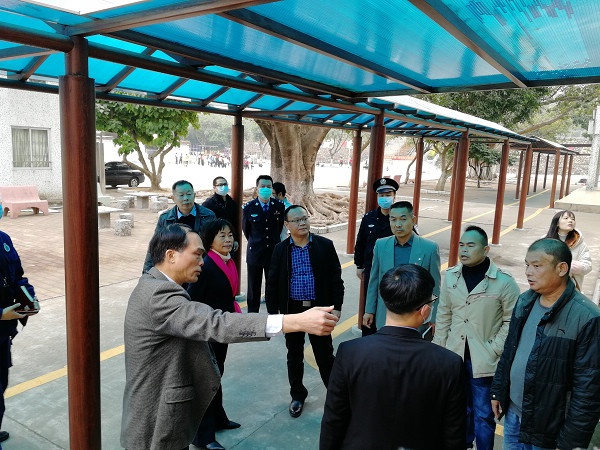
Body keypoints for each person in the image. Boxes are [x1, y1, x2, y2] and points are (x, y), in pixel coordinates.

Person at [121, 223, 339, 450]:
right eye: (197, 254)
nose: (202, 262)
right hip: (156, 421)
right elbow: (215, 322)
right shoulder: (158, 294)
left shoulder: (156, 284)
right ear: (171, 255)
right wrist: (295, 321)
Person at [320, 264, 466, 450]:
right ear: (424, 310)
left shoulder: (349, 352)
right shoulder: (449, 363)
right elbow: (454, 434)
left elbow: (333, 421)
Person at [490, 238, 600, 450]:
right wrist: (498, 390)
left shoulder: (587, 317)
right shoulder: (525, 301)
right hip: (513, 415)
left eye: (537, 266)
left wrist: (570, 442)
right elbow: (510, 351)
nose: (528, 272)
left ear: (562, 268)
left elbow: (588, 391)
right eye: (527, 265)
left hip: (550, 428)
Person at [433, 225, 519, 450]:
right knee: (458, 410)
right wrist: (439, 349)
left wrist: (494, 348)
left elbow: (511, 322)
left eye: (471, 245)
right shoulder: (451, 276)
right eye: (461, 245)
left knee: (483, 414)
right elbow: (444, 315)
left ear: (486, 249)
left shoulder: (504, 282)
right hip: (454, 356)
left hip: (484, 361)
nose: (463, 250)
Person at [266, 205, 344, 419]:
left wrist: (337, 307)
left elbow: (336, 279)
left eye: (304, 218)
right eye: (296, 220)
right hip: (292, 311)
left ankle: (336, 397)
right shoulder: (281, 249)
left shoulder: (324, 245)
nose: (302, 223)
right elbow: (272, 282)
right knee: (294, 355)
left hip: (319, 309)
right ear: (287, 225)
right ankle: (297, 395)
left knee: (324, 354)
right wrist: (274, 315)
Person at [187, 219, 241, 450]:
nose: (228, 239)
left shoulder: (227, 260)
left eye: (230, 235)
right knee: (207, 381)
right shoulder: (207, 265)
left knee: (217, 375)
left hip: (222, 330)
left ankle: (219, 418)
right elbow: (192, 299)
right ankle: (203, 437)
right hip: (208, 332)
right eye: (222, 235)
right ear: (210, 240)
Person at [363, 200, 440, 338]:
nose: (398, 224)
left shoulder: (429, 248)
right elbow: (374, 281)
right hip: (386, 316)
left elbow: (435, 287)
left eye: (403, 219)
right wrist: (369, 310)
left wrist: (433, 317)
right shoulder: (381, 245)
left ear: (413, 220)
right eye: (393, 219)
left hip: (416, 318)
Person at [0, 202, 38, 447]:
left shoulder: (3, 239)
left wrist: (30, 299)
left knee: (1, 385)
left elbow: (17, 277)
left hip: (3, 334)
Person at [354, 177, 398, 336]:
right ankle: (369, 338)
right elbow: (361, 242)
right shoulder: (369, 218)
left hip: (394, 271)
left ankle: (388, 335)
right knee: (370, 304)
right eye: (381, 195)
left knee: (392, 304)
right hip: (371, 270)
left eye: (388, 195)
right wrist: (359, 265)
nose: (384, 198)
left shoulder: (400, 218)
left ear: (394, 196)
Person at [143, 180, 215, 273]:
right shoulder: (165, 218)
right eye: (181, 195)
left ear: (194, 195)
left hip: (201, 265)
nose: (186, 198)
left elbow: (215, 244)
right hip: (175, 268)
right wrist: (147, 271)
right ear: (173, 198)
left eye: (189, 194)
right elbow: (156, 245)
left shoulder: (208, 216)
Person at [241, 175, 285, 313]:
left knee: (272, 285)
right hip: (255, 253)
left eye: (268, 186)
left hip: (273, 252)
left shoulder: (279, 206)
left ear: (272, 188)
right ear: (257, 188)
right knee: (254, 287)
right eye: (263, 186)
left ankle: (273, 314)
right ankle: (252, 315)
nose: (266, 189)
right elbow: (246, 230)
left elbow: (279, 228)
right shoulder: (248, 207)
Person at [544, 210, 592, 291]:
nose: (570, 221)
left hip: (570, 288)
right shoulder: (544, 241)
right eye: (566, 218)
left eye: (573, 219)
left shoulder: (579, 243)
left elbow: (588, 265)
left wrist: (574, 267)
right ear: (557, 223)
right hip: (547, 285)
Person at [202, 176, 240, 252]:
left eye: (225, 184)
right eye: (220, 185)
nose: (223, 186)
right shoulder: (208, 204)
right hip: (215, 242)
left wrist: (235, 239)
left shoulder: (232, 203)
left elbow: (235, 223)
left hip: (229, 240)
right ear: (214, 188)